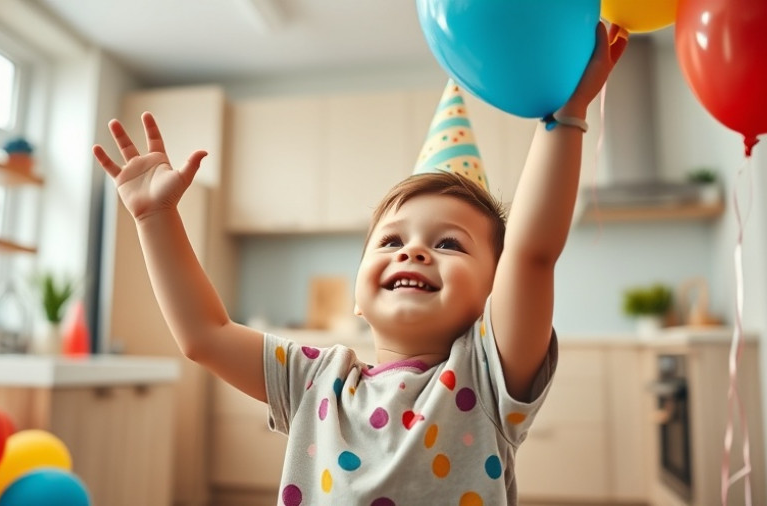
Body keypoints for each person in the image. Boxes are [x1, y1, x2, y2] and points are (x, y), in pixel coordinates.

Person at [94, 21, 627, 506]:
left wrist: (564, 119)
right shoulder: (314, 379)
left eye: (449, 244)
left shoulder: (488, 375)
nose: (412, 251)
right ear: (357, 296)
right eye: (391, 241)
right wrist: (156, 217)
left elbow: (532, 255)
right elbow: (204, 334)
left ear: (496, 293)